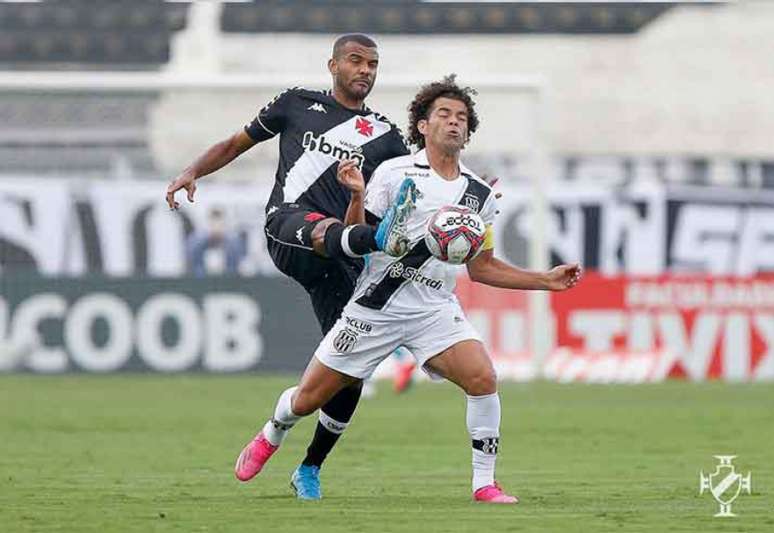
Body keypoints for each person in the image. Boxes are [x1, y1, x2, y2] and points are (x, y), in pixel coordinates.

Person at [235, 75, 582, 503]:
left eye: (461, 118)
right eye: (444, 114)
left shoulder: (478, 195)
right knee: (307, 400)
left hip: (433, 310)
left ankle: (484, 484)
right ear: (422, 125)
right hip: (374, 308)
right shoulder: (394, 173)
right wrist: (357, 195)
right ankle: (273, 432)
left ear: (468, 131)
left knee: (483, 377)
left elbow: (482, 267)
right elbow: (357, 236)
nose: (454, 122)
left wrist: (544, 280)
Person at [165, 34, 413, 500]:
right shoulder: (297, 103)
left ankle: (298, 457)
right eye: (356, 61)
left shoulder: (386, 137)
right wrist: (192, 170)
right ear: (333, 65)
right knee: (325, 230)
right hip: (291, 227)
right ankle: (348, 243)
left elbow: (415, 182)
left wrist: (462, 197)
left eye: (373, 64)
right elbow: (236, 143)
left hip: (340, 260)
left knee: (348, 371)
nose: (365, 70)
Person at [186, 207, 244, 277]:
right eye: (213, 221)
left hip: (230, 274)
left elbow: (239, 257)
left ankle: (231, 276)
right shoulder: (197, 236)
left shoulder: (232, 238)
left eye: (219, 221)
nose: (216, 224)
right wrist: (209, 235)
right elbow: (191, 254)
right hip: (199, 275)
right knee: (196, 240)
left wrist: (221, 235)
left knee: (233, 241)